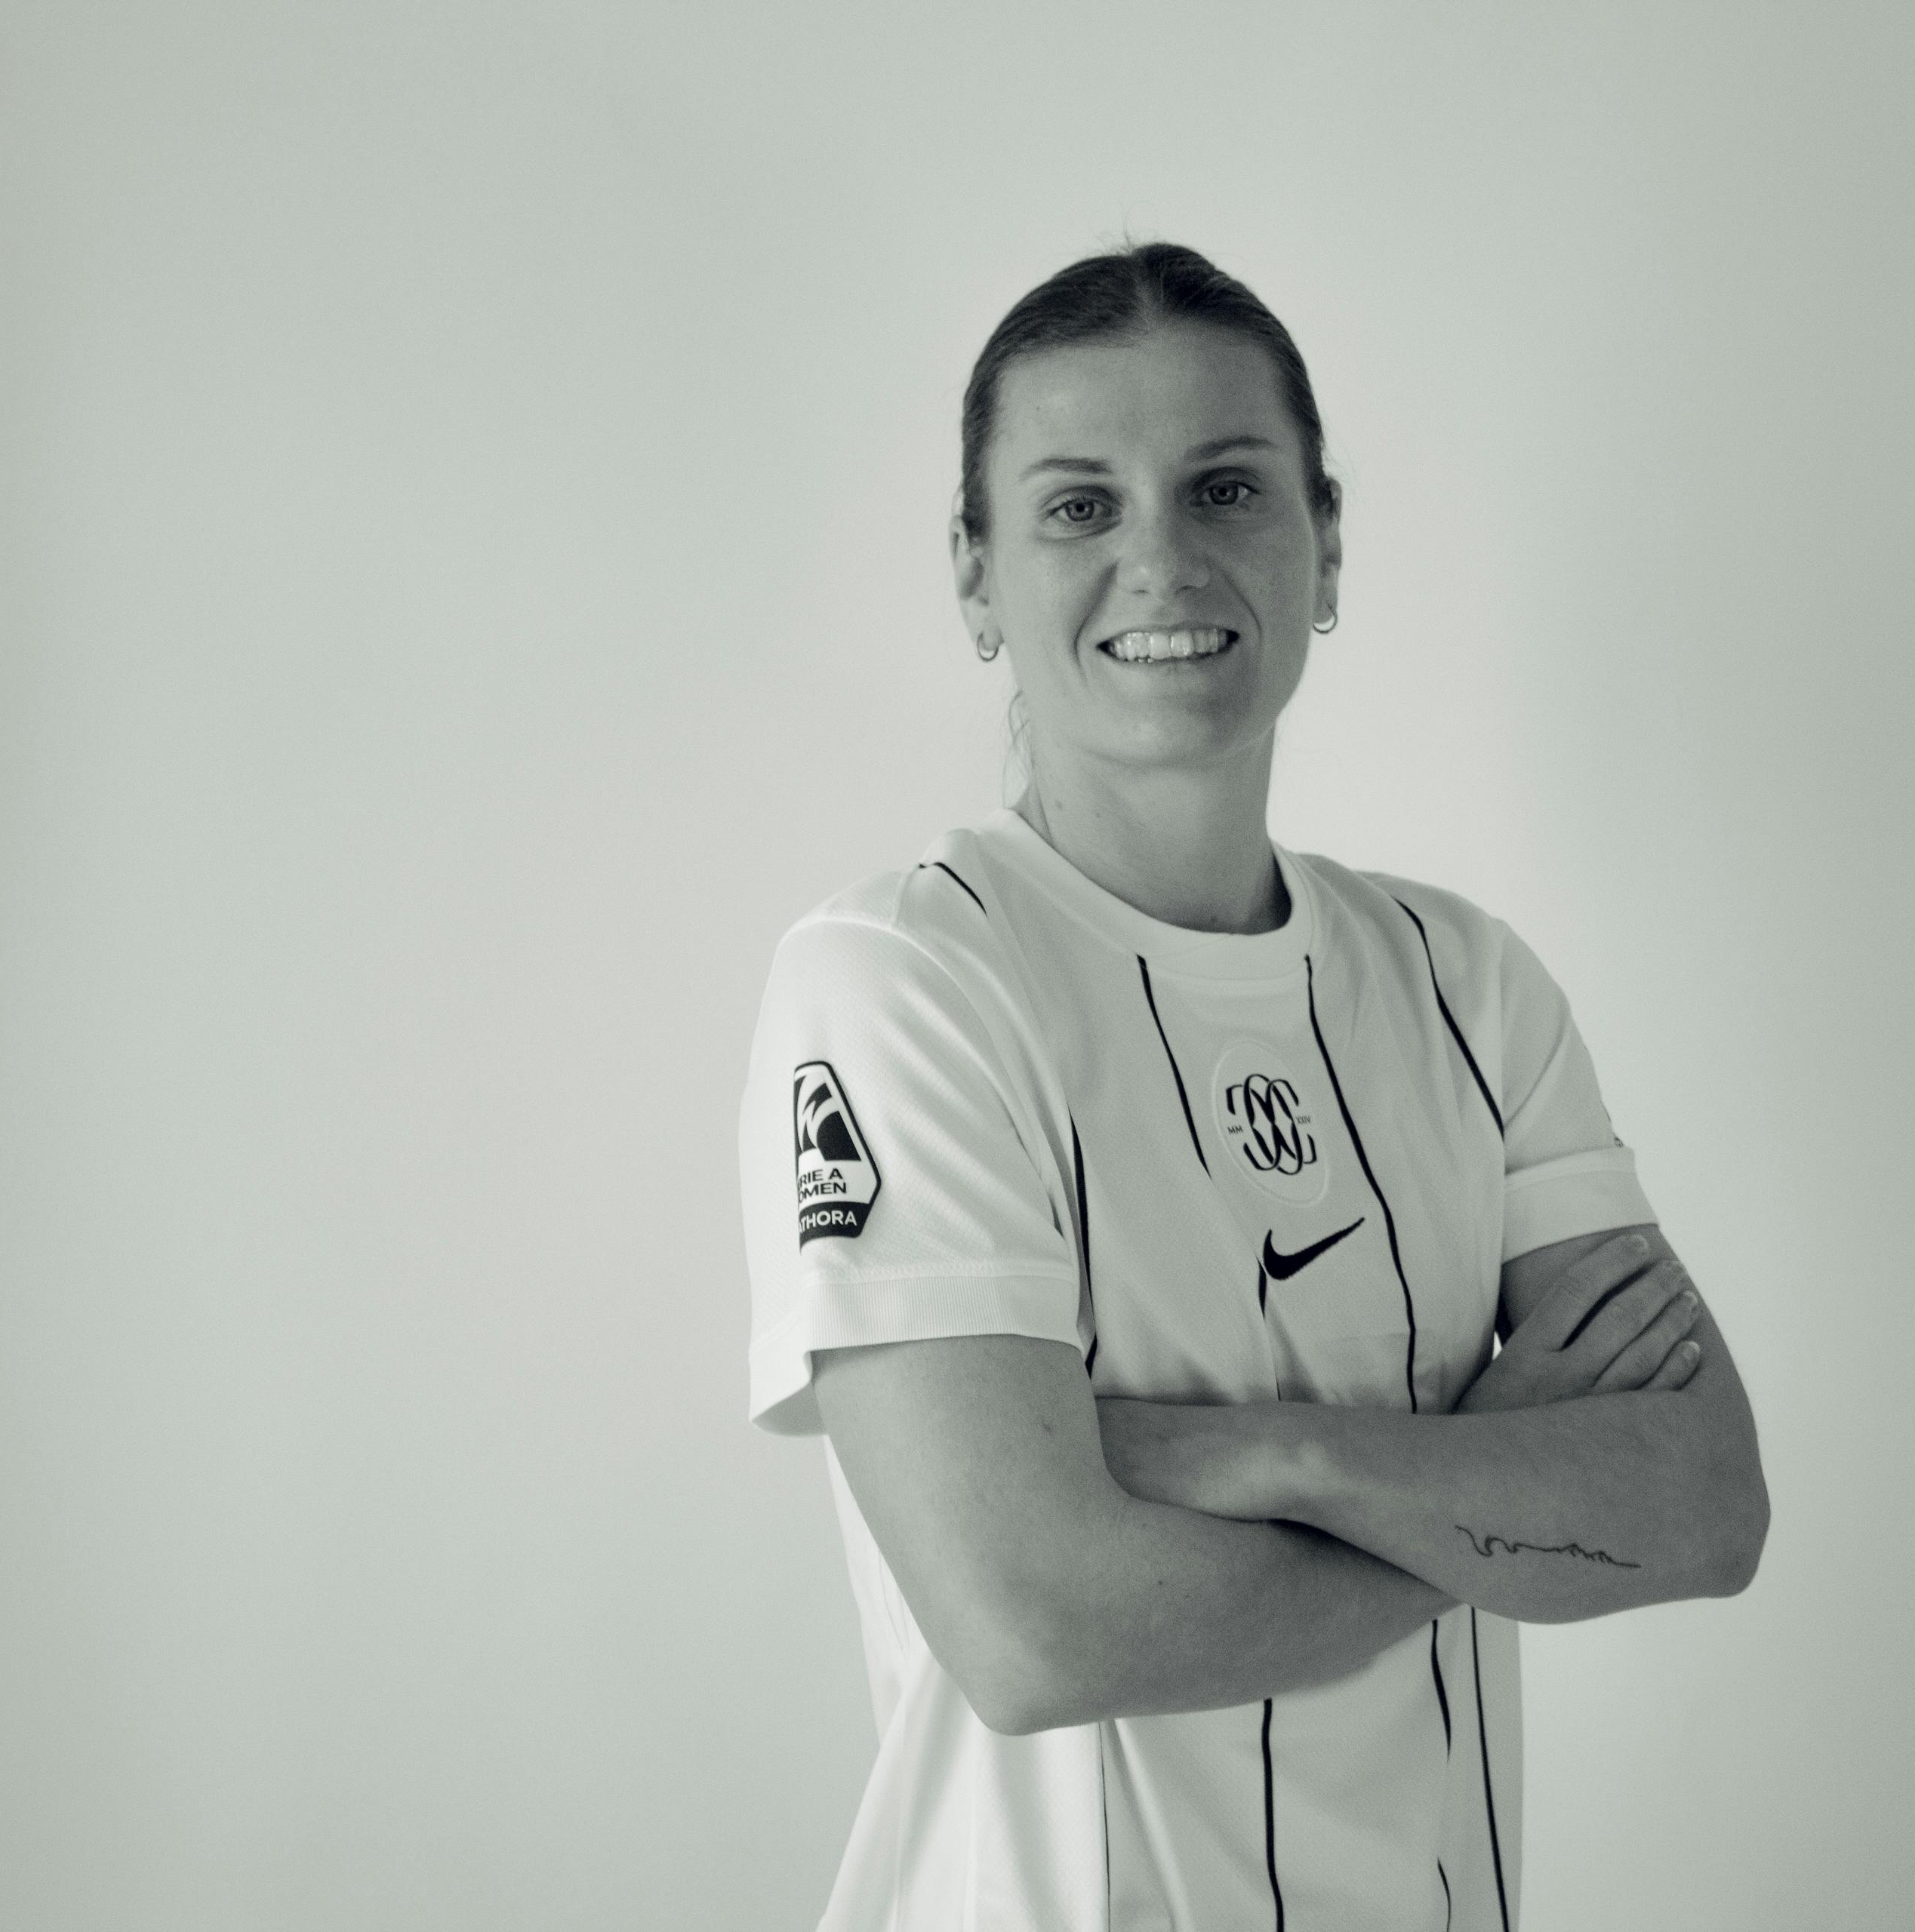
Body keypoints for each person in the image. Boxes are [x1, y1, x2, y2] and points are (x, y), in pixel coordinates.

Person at [740, 242, 1769, 1931]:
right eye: (1078, 505)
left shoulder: (1466, 983)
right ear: (977, 576)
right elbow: (1036, 1627)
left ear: (1325, 543)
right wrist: (1485, 1475)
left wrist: (1268, 1453)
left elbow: (1704, 1503)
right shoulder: (905, 980)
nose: (1161, 556)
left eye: (1226, 486)